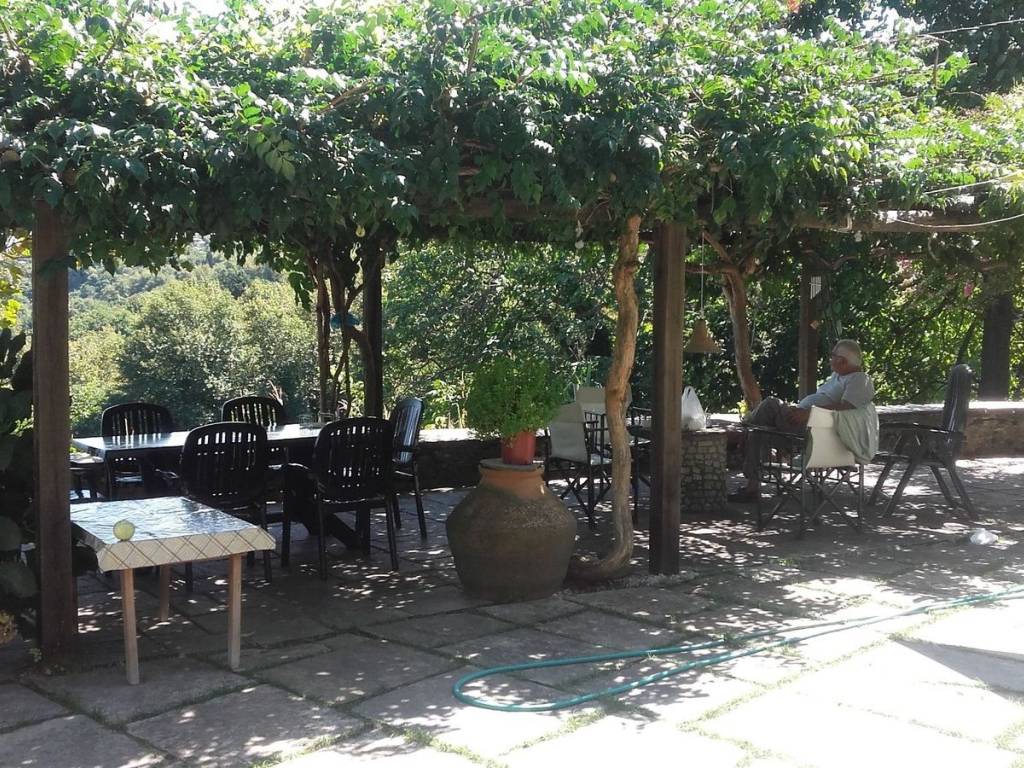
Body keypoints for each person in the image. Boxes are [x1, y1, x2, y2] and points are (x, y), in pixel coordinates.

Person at [729, 339, 874, 501]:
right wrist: (800, 409)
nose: (830, 359)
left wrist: (810, 413)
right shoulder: (838, 376)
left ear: (843, 361)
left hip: (816, 432)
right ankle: (752, 488)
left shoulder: (860, 380)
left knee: (771, 403)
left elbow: (846, 409)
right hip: (805, 423)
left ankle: (742, 433)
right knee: (756, 433)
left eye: (833, 355)